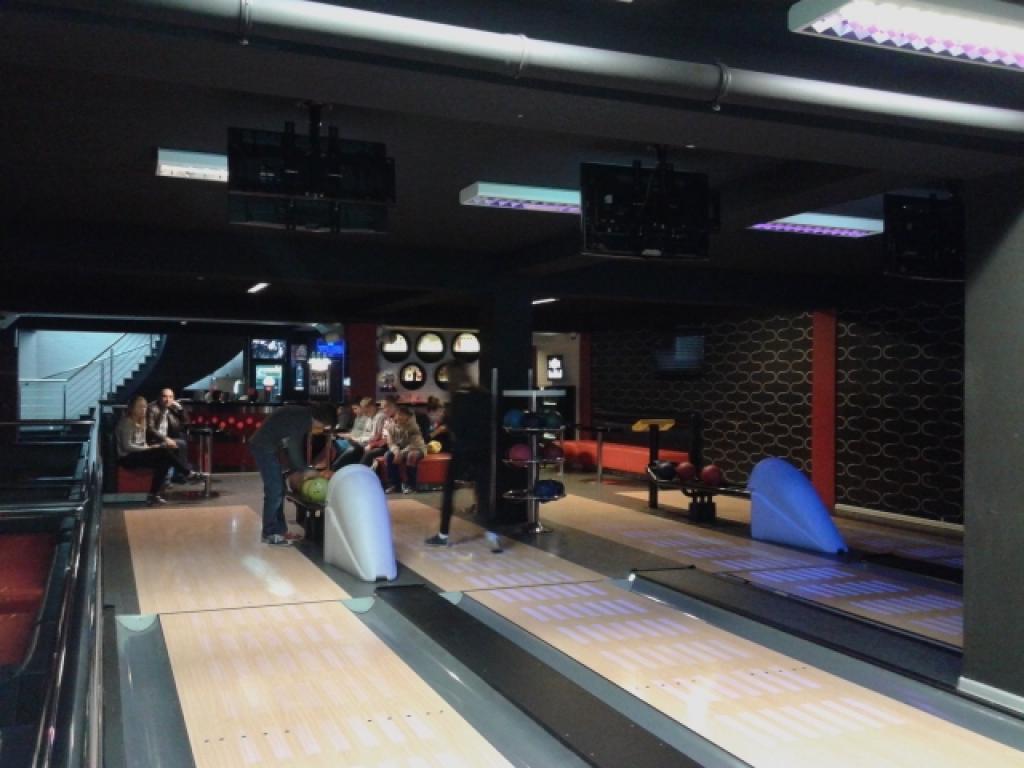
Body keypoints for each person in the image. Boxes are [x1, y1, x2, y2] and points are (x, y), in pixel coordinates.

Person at [425, 363, 501, 551]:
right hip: (483, 450)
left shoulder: (457, 398)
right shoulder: (484, 395)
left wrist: (448, 422)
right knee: (483, 493)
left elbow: (457, 427)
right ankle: (492, 535)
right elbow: (491, 423)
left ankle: (443, 535)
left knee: (449, 490)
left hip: (462, 450)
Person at [248, 401, 337, 546]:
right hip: (263, 447)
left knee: (279, 490)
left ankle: (280, 530)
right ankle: (270, 534)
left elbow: (291, 446)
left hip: (269, 447)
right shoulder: (302, 418)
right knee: (274, 491)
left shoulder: (303, 415)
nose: (321, 429)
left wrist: (300, 469)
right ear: (321, 419)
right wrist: (305, 470)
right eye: (324, 426)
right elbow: (293, 447)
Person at [116, 395, 201, 505]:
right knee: (163, 452)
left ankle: (153, 495)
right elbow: (127, 446)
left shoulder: (142, 421)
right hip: (127, 458)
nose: (143, 409)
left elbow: (142, 442)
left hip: (138, 454)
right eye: (140, 407)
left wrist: (153, 447)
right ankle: (187, 473)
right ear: (132, 408)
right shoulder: (127, 422)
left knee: (165, 459)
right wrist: (148, 448)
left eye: (145, 407)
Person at [146, 387, 193, 483]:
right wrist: (165, 439)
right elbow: (150, 429)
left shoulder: (172, 408)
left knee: (181, 443)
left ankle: (180, 474)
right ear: (159, 397)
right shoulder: (152, 408)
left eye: (171, 397)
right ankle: (181, 474)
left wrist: (180, 409)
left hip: (167, 438)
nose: (168, 400)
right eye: (165, 396)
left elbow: (186, 423)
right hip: (153, 439)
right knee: (178, 444)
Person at [384, 405, 427, 494]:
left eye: (403, 415)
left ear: (408, 416)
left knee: (411, 456)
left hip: (416, 448)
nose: (400, 417)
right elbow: (391, 443)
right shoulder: (391, 427)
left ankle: (411, 485)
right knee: (388, 455)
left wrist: (401, 453)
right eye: (398, 414)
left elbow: (414, 444)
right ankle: (394, 485)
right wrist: (396, 452)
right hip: (400, 449)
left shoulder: (414, 427)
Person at [361, 396, 397, 469]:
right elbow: (384, 438)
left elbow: (388, 440)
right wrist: (372, 444)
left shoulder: (398, 419)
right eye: (382, 408)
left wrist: (372, 445)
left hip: (393, 446)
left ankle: (360, 471)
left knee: (369, 454)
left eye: (384, 407)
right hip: (387, 445)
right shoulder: (388, 419)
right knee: (366, 450)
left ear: (393, 407)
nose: (383, 411)